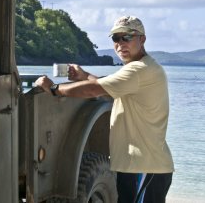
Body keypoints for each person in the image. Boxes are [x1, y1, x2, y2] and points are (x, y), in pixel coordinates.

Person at [35, 15, 174, 203]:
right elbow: (108, 88)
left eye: (127, 37)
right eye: (116, 38)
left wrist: (54, 89)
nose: (120, 44)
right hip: (139, 165)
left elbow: (95, 89)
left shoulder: (139, 70)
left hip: (145, 166)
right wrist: (84, 75)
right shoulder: (140, 69)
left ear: (142, 39)